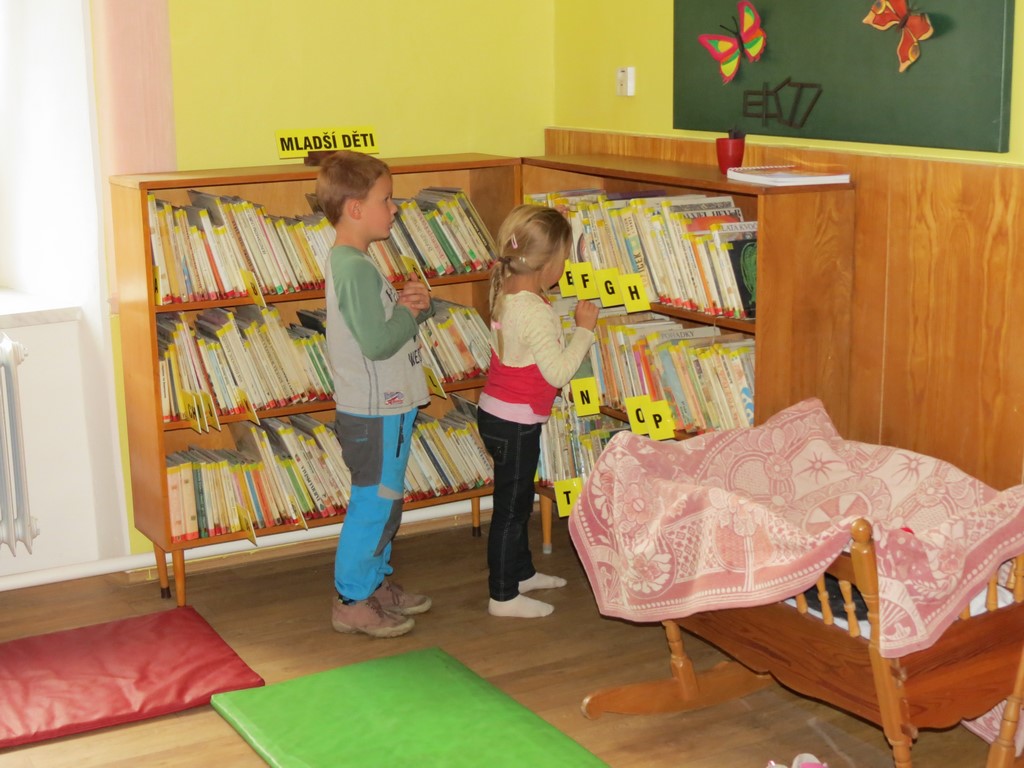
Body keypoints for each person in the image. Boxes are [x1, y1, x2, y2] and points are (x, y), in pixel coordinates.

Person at [317, 150, 434, 638]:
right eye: (386, 200)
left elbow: (382, 327)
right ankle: (352, 599)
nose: (394, 208)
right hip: (374, 413)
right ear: (355, 208)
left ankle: (374, 583)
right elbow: (378, 342)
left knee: (386, 503)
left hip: (386, 410)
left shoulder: (357, 263)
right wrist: (409, 314)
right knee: (373, 505)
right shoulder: (353, 268)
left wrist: (410, 308)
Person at [477, 204, 599, 618]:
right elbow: (558, 372)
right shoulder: (534, 311)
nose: (564, 267)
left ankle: (521, 572)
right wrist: (583, 330)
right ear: (546, 265)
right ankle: (502, 596)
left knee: (518, 500)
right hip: (515, 422)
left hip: (498, 414)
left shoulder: (507, 290)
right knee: (511, 511)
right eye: (563, 259)